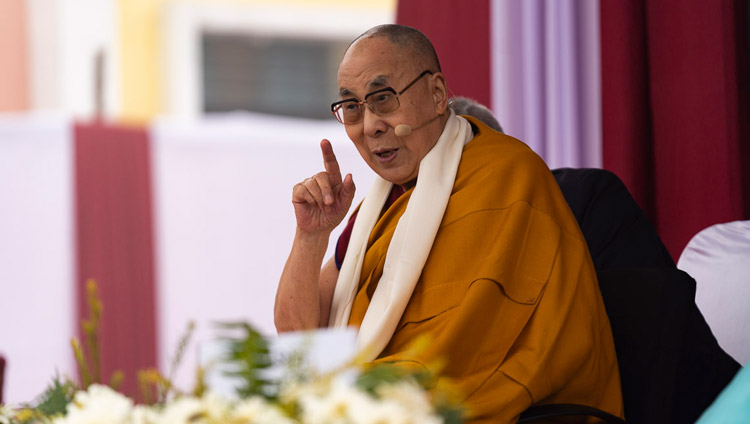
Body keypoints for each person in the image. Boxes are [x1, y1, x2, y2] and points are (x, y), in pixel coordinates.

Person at [274, 24, 623, 423]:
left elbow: (466, 347)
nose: (369, 125)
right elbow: (298, 342)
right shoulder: (375, 212)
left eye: (383, 99)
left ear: (438, 95)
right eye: (352, 107)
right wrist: (312, 235)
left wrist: (352, 404)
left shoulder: (507, 175)